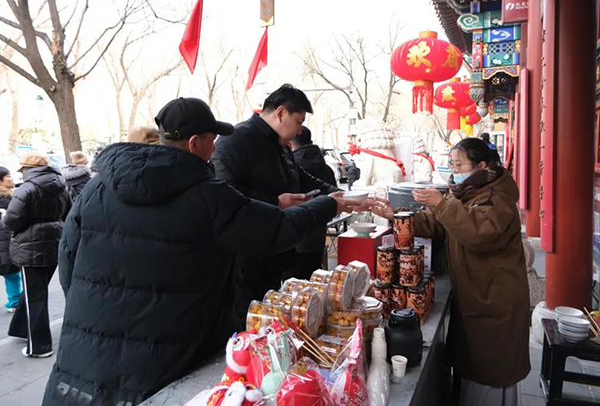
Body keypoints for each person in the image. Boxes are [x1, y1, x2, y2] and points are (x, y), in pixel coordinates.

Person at [42, 97, 356, 406]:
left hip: (80, 367)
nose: (216, 147)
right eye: (212, 139)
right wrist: (329, 204)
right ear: (195, 143)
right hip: (165, 362)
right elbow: (276, 230)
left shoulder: (97, 187)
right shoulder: (208, 196)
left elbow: (67, 258)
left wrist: (92, 310)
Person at [371, 138, 530, 406]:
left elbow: (478, 233)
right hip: (477, 293)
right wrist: (396, 215)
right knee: (474, 371)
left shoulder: (498, 198)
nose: (454, 170)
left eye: (459, 164)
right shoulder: (466, 191)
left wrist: (441, 203)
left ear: (481, 166)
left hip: (495, 298)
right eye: (452, 164)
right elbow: (436, 224)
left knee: (490, 373)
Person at [213, 84, 341, 326]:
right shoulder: (236, 139)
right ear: (281, 113)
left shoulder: (279, 146)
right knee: (249, 325)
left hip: (277, 253)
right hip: (247, 260)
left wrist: (339, 196)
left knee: (270, 324)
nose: (299, 130)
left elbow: (302, 178)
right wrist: (275, 202)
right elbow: (224, 193)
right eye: (298, 121)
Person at [3, 152, 71, 358]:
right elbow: (69, 212)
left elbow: (12, 221)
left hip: (30, 246)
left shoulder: (26, 189)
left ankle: (39, 346)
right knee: (36, 290)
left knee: (35, 295)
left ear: (27, 169)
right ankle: (21, 328)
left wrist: (4, 220)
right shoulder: (61, 185)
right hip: (55, 242)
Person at [290, 126, 337, 278]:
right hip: (318, 236)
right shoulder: (326, 168)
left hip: (293, 238)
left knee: (293, 292)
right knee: (313, 283)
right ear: (310, 141)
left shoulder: (291, 168)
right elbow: (334, 195)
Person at [0, 166, 22, 313]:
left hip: (6, 241)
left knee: (11, 273)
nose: (12, 178)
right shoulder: (6, 199)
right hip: (6, 241)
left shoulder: (10, 196)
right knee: (12, 273)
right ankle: (15, 301)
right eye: (8, 176)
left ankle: (14, 301)